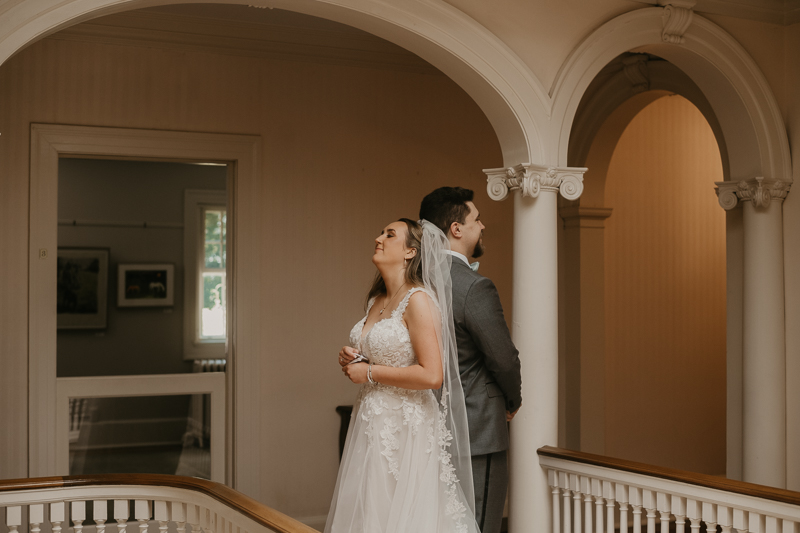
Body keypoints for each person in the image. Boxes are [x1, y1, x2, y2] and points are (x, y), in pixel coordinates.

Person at [327, 218, 479, 533]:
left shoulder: (419, 300)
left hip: (406, 425)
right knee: (373, 510)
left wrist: (368, 371)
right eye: (381, 231)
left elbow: (432, 374)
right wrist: (358, 357)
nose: (378, 237)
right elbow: (390, 356)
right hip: (372, 421)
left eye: (389, 234)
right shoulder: (377, 300)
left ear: (410, 252)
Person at [419, 187, 522, 533]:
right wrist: (512, 399)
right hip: (479, 430)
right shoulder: (474, 287)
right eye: (476, 219)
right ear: (456, 229)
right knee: (479, 523)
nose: (483, 226)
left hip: (429, 426)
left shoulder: (417, 283)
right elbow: (503, 358)